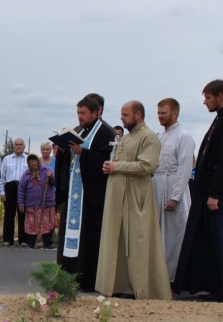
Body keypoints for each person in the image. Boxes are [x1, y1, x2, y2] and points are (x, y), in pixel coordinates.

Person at [173, 79, 223, 303]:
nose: (205, 102)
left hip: (222, 196)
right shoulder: (221, 119)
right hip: (211, 193)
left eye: (207, 97)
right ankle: (218, 287)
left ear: (220, 96)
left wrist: (215, 193)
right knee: (214, 246)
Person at [96, 101, 171, 300]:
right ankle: (120, 284)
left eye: (125, 114)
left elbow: (148, 166)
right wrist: (109, 166)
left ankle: (141, 287)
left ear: (138, 114)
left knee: (137, 240)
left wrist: (117, 167)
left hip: (136, 195)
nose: (121, 118)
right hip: (119, 196)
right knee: (118, 241)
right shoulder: (127, 137)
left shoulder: (149, 137)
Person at [55, 96, 116, 292]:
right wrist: (63, 150)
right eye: (78, 113)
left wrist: (84, 153)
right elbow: (69, 158)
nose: (80, 117)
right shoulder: (78, 130)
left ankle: (88, 278)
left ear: (96, 112)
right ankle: (68, 275)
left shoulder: (106, 132)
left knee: (89, 238)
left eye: (83, 113)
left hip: (90, 197)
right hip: (74, 193)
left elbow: (106, 160)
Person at [154, 98, 195, 282]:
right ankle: (160, 275)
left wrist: (175, 196)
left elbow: (185, 168)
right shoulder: (160, 136)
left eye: (164, 113)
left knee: (174, 236)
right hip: (158, 185)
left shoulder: (183, 136)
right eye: (159, 113)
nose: (160, 116)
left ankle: (175, 277)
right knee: (159, 233)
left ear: (175, 113)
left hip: (173, 187)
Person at [18, 154, 57, 249]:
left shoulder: (47, 170)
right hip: (32, 204)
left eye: (34, 161)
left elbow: (56, 182)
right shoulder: (26, 174)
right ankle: (31, 243)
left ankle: (48, 242)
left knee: (47, 223)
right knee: (32, 224)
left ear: (38, 161)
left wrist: (51, 177)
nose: (33, 163)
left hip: (46, 203)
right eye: (31, 162)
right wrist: (21, 203)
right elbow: (21, 190)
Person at [0, 138, 28, 246]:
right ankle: (8, 240)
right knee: (9, 214)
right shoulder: (7, 159)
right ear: (13, 147)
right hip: (10, 187)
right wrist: (2, 192)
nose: (18, 146)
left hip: (24, 188)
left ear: (24, 147)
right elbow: (1, 177)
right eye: (16, 144)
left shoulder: (28, 159)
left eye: (21, 144)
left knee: (23, 214)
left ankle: (23, 240)